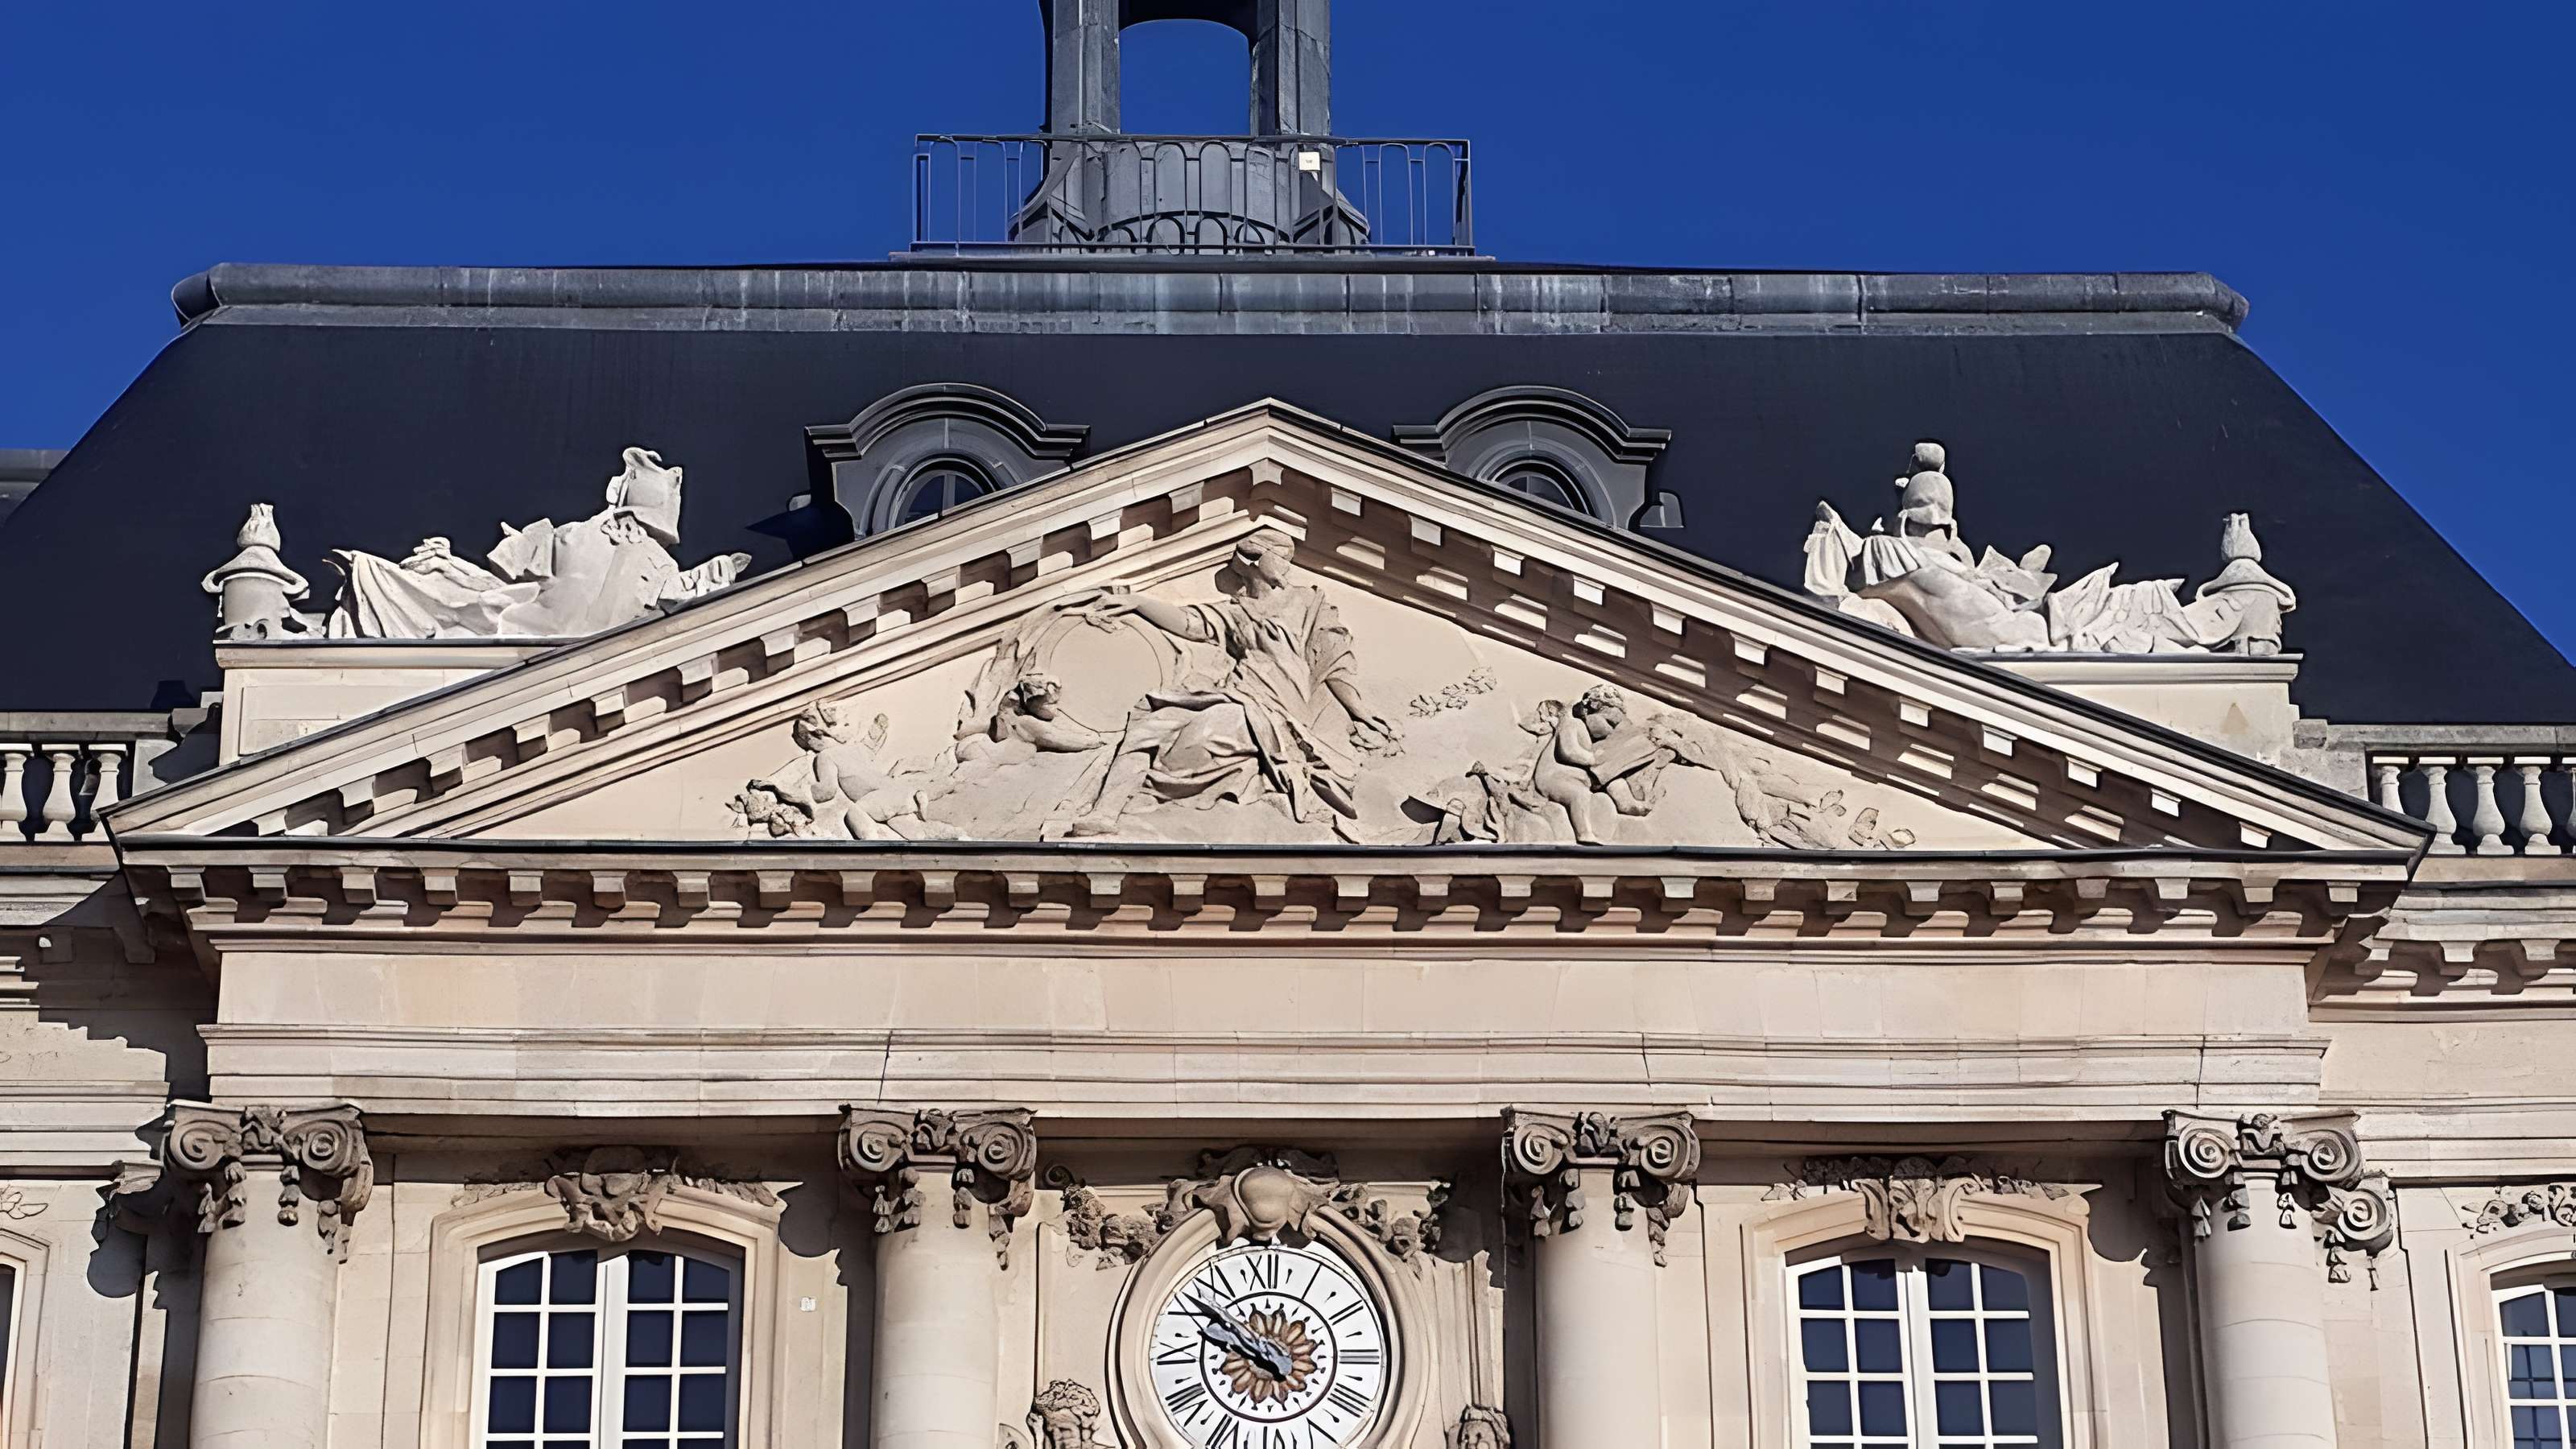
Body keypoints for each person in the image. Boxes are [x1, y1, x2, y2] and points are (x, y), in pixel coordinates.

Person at [1067, 528, 1399, 833]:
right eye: (1281, 558)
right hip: (1238, 693)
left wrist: (1358, 710)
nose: (1287, 567)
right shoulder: (1236, 612)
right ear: (1254, 559)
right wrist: (1139, 602)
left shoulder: (1309, 603)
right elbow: (1189, 622)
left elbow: (1333, 658)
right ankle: (1104, 814)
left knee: (1203, 735)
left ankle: (1154, 795)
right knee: (1149, 727)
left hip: (1274, 708)